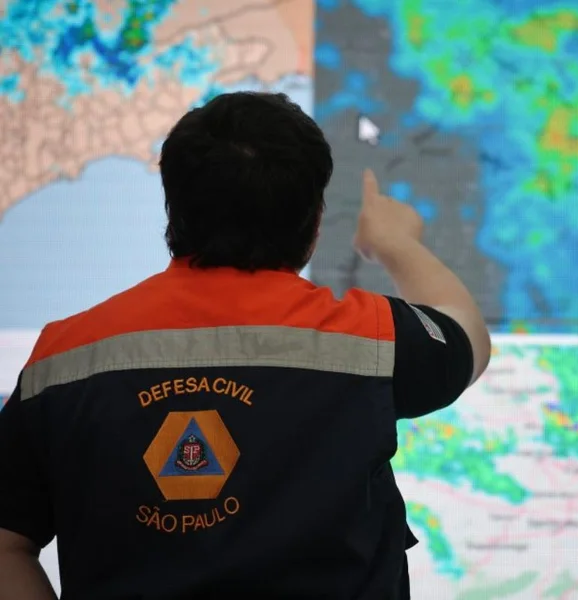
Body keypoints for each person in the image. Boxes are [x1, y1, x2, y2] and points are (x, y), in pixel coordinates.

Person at [0, 91, 491, 600]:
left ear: (173, 206)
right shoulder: (369, 336)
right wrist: (394, 243)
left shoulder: (61, 357)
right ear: (314, 221)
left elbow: (6, 545)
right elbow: (465, 336)